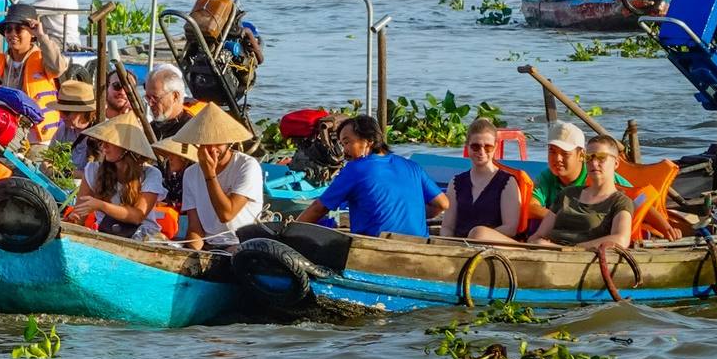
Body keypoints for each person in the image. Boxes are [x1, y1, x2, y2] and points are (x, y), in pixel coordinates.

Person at [296, 115, 445, 238]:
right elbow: (442, 204)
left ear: (369, 141)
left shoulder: (356, 168)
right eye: (342, 144)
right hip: (418, 244)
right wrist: (410, 215)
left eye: (347, 142)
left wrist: (291, 231)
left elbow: (319, 208)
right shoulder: (413, 166)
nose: (344, 150)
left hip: (375, 246)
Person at [168, 106, 264, 249]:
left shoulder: (247, 166)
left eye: (218, 143)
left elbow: (226, 214)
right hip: (210, 244)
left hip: (242, 243)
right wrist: (193, 253)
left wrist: (209, 174)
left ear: (229, 142)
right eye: (206, 144)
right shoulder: (190, 173)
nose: (212, 149)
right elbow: (195, 228)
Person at [0, 4, 64, 138]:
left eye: (19, 29)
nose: (13, 34)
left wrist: (42, 37)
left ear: (32, 33)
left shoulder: (43, 59)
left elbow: (57, 68)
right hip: (3, 130)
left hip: (37, 136)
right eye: (8, 30)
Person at [528, 135, 636, 249]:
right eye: (589, 157)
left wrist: (573, 249)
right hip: (548, 251)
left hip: (581, 257)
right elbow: (539, 235)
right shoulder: (567, 194)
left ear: (616, 163)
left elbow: (621, 239)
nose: (594, 163)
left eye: (601, 157)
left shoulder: (620, 202)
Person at [69, 113, 165, 239]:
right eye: (102, 142)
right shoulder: (93, 169)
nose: (103, 147)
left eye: (109, 142)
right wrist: (73, 219)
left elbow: (138, 216)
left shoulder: (150, 174)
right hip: (105, 234)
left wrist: (101, 205)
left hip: (142, 236)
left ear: (126, 148)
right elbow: (79, 217)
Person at [441, 118, 530, 241]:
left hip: (495, 245)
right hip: (461, 245)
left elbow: (510, 228)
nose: (481, 152)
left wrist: (476, 237)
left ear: (495, 147)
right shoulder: (456, 183)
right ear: (467, 147)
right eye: (476, 147)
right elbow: (447, 226)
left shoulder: (507, 182)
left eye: (488, 147)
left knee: (479, 233)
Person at [533, 121, 630, 214]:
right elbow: (531, 207)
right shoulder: (547, 176)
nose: (557, 158)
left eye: (565, 153)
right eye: (552, 151)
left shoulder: (599, 175)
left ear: (581, 155)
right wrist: (559, 219)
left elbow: (634, 199)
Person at [50, 80, 99, 167]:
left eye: (66, 112)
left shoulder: (99, 134)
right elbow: (49, 157)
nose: (61, 116)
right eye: (60, 111)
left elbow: (95, 174)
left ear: (84, 112)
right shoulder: (64, 129)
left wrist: (62, 174)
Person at [145, 64, 198, 140]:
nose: (150, 103)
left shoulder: (192, 131)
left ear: (175, 96)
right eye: (148, 97)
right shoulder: (150, 128)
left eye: (155, 98)